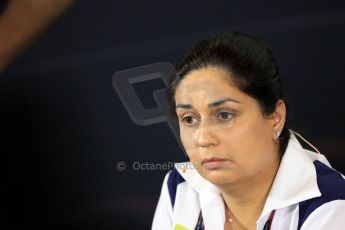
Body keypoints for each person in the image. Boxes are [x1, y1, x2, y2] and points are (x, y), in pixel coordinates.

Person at [151, 31, 345, 230]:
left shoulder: (332, 206)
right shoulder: (180, 186)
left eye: (224, 115)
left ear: (276, 118)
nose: (203, 138)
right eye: (189, 119)